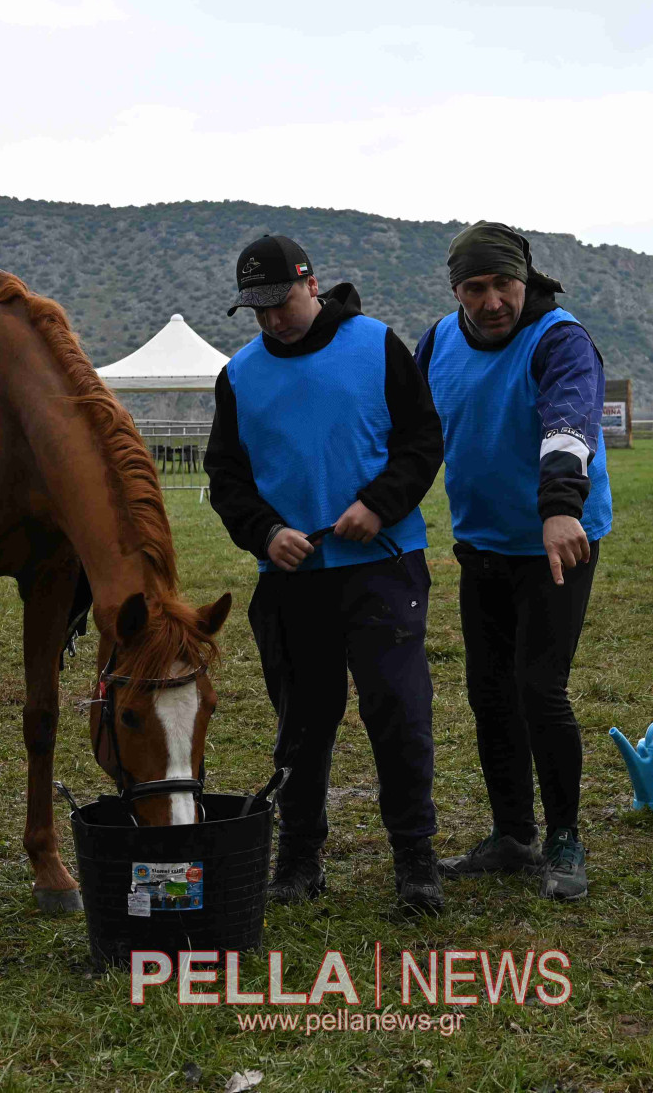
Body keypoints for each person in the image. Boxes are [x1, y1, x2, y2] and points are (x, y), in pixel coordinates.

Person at [204, 235, 447, 914]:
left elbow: (423, 439)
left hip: (381, 566)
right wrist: (264, 532)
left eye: (281, 302)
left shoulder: (376, 345)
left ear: (311, 284)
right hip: (292, 580)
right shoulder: (240, 375)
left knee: (398, 714)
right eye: (257, 310)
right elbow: (226, 476)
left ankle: (415, 861)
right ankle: (300, 859)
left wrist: (378, 503)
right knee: (301, 726)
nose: (273, 319)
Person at [415, 222, 612, 902]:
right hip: (483, 543)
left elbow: (569, 420)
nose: (492, 299)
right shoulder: (438, 341)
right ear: (456, 291)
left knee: (539, 688)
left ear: (525, 278)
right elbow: (410, 432)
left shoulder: (559, 338)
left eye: (503, 283)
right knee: (487, 692)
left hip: (558, 541)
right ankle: (512, 834)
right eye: (475, 287)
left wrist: (560, 506)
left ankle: (564, 837)